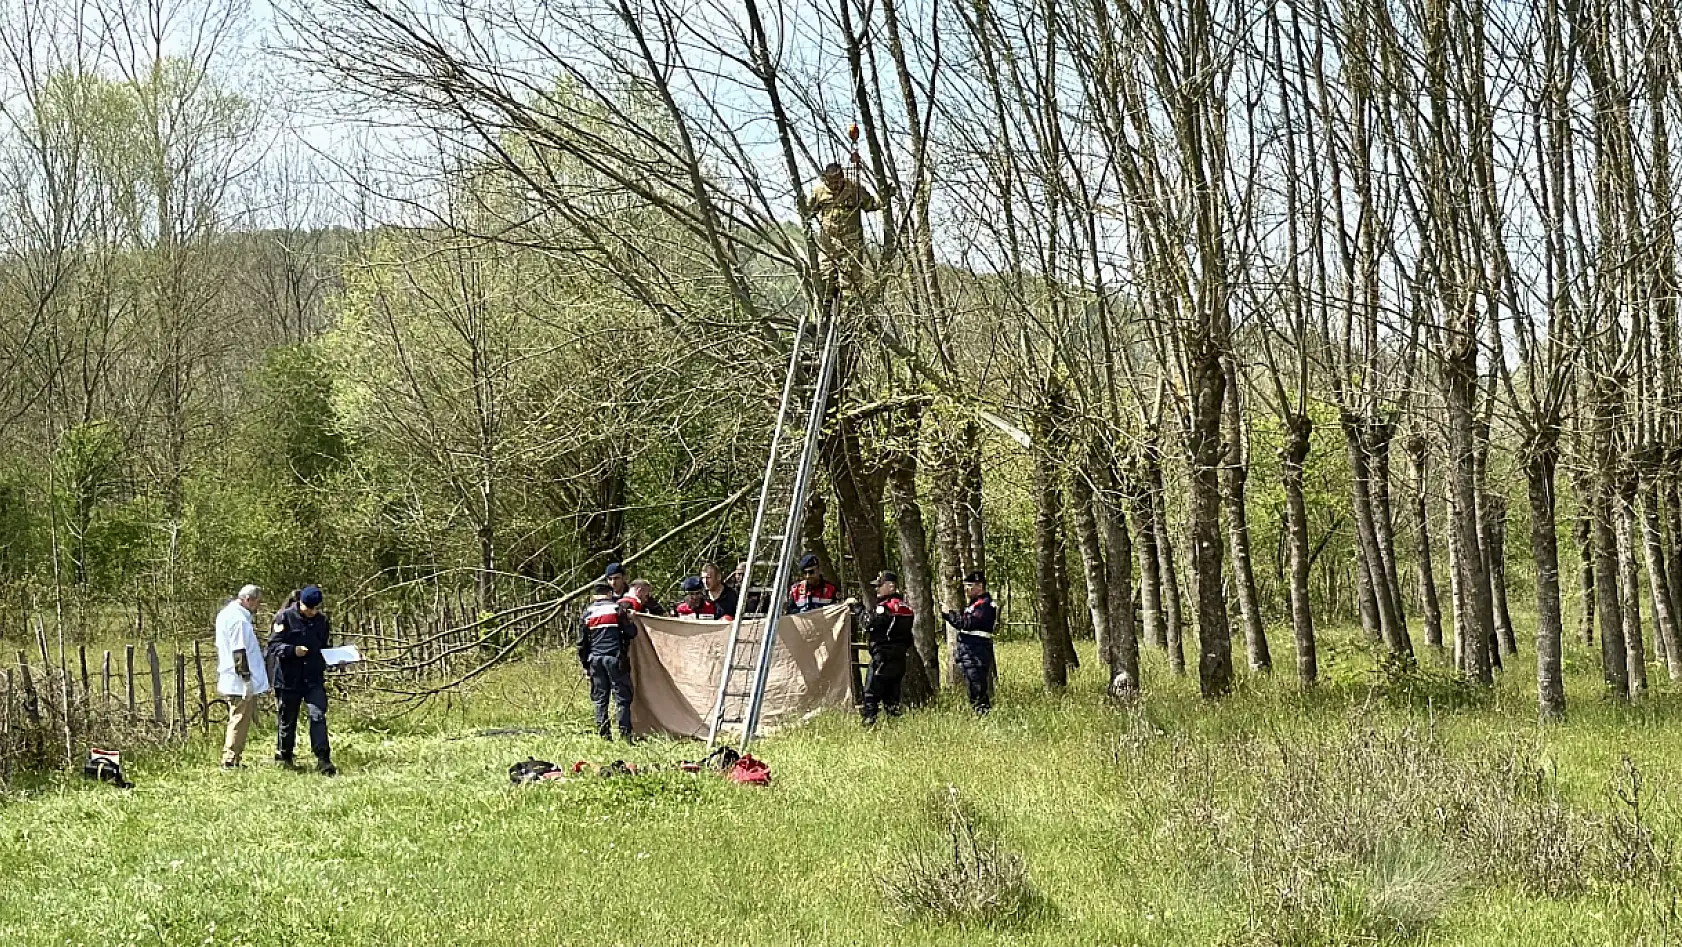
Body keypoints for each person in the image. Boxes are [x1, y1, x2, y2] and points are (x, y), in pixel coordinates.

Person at [266, 584, 336, 776]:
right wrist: (292, 651)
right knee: (288, 719)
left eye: (316, 608)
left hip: (313, 678)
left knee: (318, 715)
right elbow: (273, 646)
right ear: (300, 603)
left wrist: (337, 659)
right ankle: (285, 755)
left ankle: (323, 759)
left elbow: (324, 646)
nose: (313, 612)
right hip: (289, 679)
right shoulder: (285, 618)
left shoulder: (322, 621)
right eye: (309, 608)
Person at [806, 162, 883, 301]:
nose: (834, 186)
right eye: (830, 183)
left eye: (837, 182)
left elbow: (871, 204)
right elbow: (808, 212)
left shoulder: (854, 189)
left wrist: (885, 197)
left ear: (842, 178)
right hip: (828, 244)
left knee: (850, 286)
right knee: (825, 280)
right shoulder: (819, 191)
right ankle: (826, 313)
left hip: (851, 245)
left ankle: (849, 316)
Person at [214, 584, 269, 769]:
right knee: (239, 718)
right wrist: (246, 679)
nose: (257, 607)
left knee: (239, 717)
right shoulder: (239, 620)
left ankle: (234, 758)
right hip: (238, 679)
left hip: (232, 676)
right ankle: (230, 759)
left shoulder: (226, 614)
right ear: (248, 600)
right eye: (256, 602)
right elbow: (239, 652)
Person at [579, 581, 638, 741]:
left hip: (595, 660)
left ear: (594, 596)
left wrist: (586, 666)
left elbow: (582, 643)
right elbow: (631, 633)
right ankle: (626, 735)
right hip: (615, 658)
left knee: (600, 699)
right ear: (610, 594)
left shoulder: (587, 613)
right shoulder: (617, 609)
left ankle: (604, 736)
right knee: (622, 698)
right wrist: (631, 620)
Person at [858, 571, 915, 726]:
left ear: (890, 587)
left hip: (882, 658)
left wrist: (859, 609)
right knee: (892, 697)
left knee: (871, 693)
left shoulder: (885, 608)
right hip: (900, 659)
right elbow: (909, 638)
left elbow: (867, 623)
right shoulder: (906, 609)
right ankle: (894, 727)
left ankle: (869, 725)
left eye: (879, 586)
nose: (876, 590)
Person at [943, 572, 998, 713]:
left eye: (969, 586)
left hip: (976, 651)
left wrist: (950, 615)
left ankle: (983, 713)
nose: (966, 590)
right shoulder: (973, 604)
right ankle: (978, 712)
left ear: (979, 586)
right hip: (969, 650)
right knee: (973, 687)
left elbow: (968, 623)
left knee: (977, 686)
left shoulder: (984, 605)